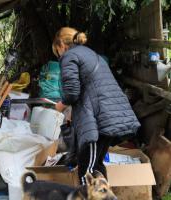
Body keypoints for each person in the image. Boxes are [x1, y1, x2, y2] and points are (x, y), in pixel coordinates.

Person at [52, 27, 140, 185]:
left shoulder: (69, 56)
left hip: (97, 121)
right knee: (96, 166)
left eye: (57, 51)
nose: (59, 56)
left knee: (87, 171)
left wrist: (61, 105)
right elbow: (90, 90)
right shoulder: (90, 54)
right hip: (106, 117)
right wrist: (74, 111)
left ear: (61, 45)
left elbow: (72, 92)